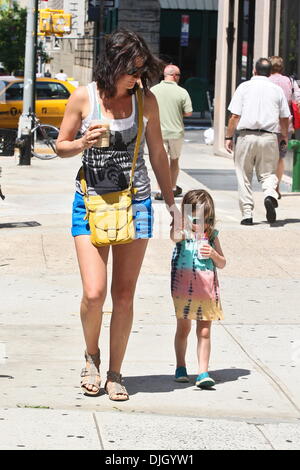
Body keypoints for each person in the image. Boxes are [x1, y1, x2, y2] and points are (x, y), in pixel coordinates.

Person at [56, 30, 176, 401]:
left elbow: (158, 154)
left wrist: (173, 204)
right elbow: (60, 146)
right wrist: (82, 143)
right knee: (95, 293)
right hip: (90, 201)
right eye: (131, 70)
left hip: (137, 203)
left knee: (124, 294)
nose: (136, 78)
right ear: (112, 65)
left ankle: (115, 372)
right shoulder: (83, 97)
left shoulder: (147, 100)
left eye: (141, 70)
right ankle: (91, 356)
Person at [171, 189, 226, 388]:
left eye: (205, 219)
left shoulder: (211, 236)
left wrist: (213, 253)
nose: (199, 224)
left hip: (206, 290)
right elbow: (174, 237)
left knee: (204, 331)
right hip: (184, 289)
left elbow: (222, 263)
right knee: (183, 328)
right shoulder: (182, 233)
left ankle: (203, 371)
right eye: (195, 218)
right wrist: (181, 224)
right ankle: (180, 366)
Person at [225, 58, 290, 225]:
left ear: (254, 71)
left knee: (243, 175)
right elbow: (284, 117)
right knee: (268, 173)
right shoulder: (276, 90)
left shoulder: (244, 87)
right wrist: (283, 136)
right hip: (269, 137)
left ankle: (247, 214)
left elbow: (234, 116)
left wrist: (228, 136)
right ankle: (270, 194)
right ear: (270, 73)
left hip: (246, 136)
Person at [151, 65, 193, 200]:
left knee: (159, 161)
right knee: (174, 161)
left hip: (158, 132)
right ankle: (172, 188)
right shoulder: (182, 92)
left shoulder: (153, 90)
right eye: (179, 75)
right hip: (176, 133)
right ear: (174, 76)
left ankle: (160, 190)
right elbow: (188, 112)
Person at [269, 56, 300, 199]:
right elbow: (297, 101)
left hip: (266, 124)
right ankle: (276, 187)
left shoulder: (266, 81)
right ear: (282, 68)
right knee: (280, 158)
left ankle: (268, 187)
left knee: (267, 157)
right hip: (284, 126)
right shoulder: (289, 81)